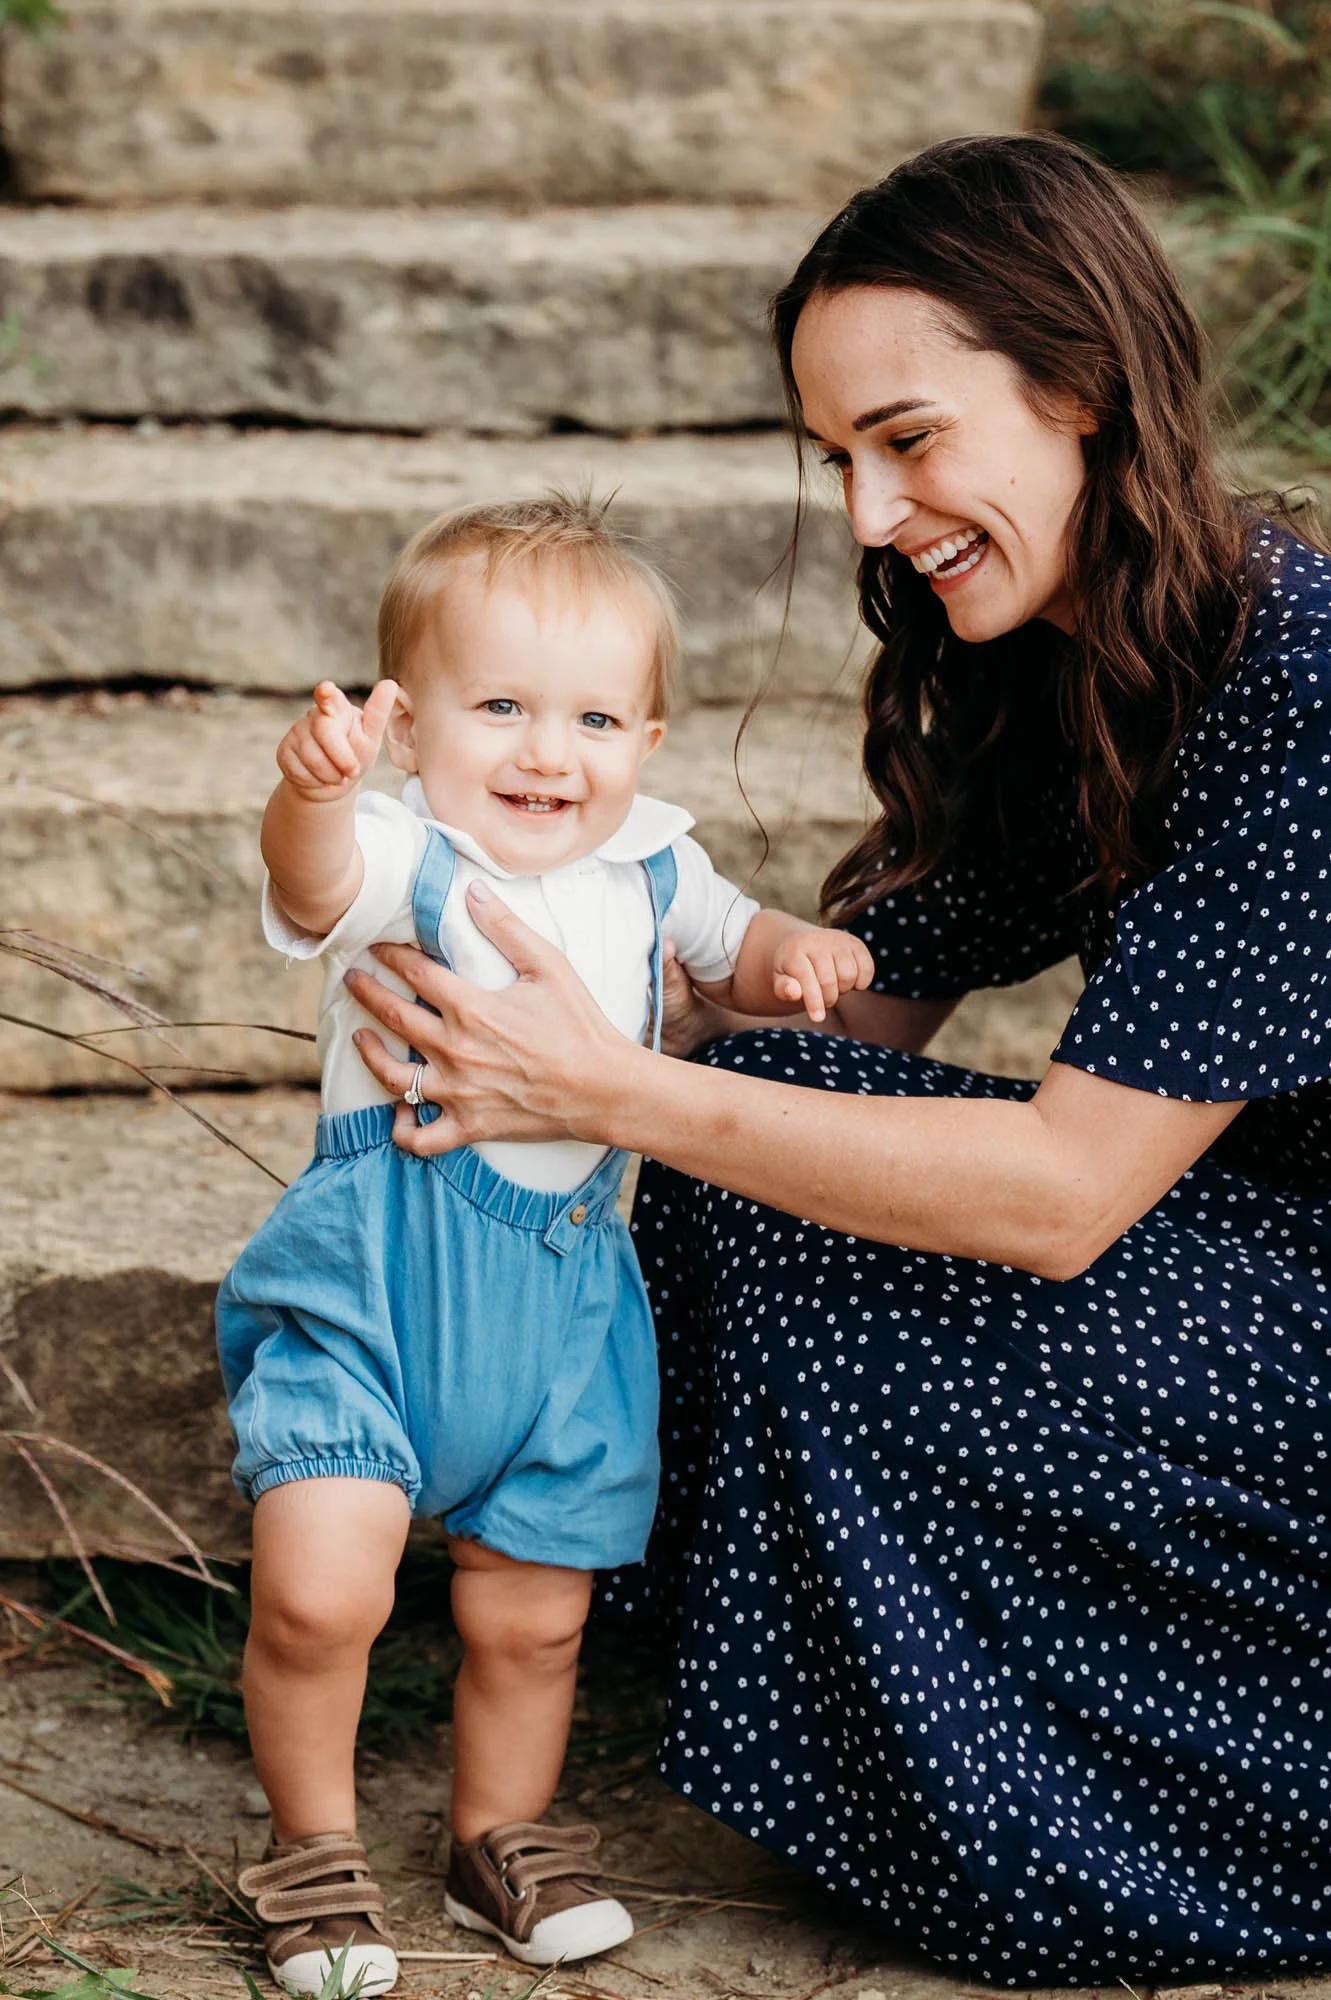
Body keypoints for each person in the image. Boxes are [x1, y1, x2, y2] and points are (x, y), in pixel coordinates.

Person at [341, 135, 1331, 1984]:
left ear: (1086, 387)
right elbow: (850, 1004)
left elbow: (1056, 1199)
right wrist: (543, 957)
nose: (870, 515)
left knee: (772, 1155)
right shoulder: (1104, 648)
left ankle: (1096, 1810)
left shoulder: (1306, 688)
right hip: (1248, 1281)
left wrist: (621, 1093)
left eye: (909, 438)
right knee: (760, 1147)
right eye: (840, 463)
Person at [216, 493, 873, 1996]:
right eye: (498, 706)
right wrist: (308, 796)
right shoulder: (401, 850)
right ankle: (313, 1855)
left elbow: (738, 942)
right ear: (407, 725)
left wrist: (797, 958)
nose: (542, 752)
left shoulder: (653, 868)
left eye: (590, 717)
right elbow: (311, 885)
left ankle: (494, 1834)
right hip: (374, 1297)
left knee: (535, 1621)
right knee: (322, 1592)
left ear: (644, 744)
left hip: (567, 1318)